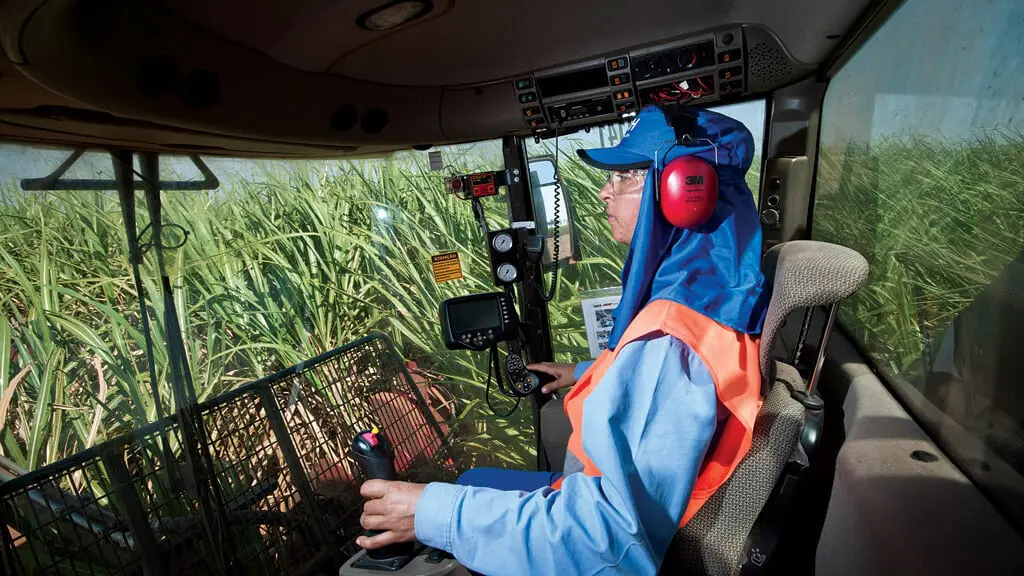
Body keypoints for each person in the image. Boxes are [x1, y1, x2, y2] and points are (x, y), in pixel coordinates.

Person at [356, 105, 769, 575]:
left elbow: (606, 540)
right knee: (472, 479)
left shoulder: (670, 342)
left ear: (684, 191)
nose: (603, 192)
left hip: (592, 531)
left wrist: (431, 513)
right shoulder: (713, 295)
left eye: (625, 178)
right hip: (592, 501)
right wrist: (585, 374)